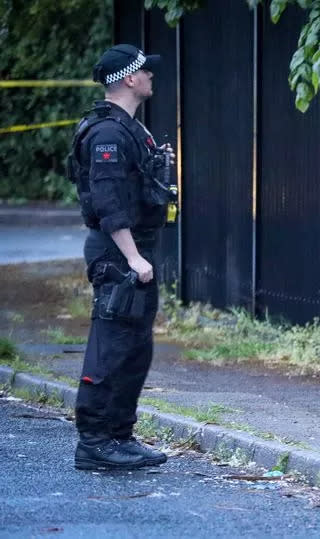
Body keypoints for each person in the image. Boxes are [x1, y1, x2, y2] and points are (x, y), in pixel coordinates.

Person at [67, 44, 176, 470]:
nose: (151, 76)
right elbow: (108, 200)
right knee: (111, 346)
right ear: (130, 79)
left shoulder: (130, 129)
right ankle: (94, 442)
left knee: (135, 348)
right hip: (119, 253)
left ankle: (119, 436)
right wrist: (132, 257)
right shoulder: (109, 134)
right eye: (146, 71)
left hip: (134, 250)